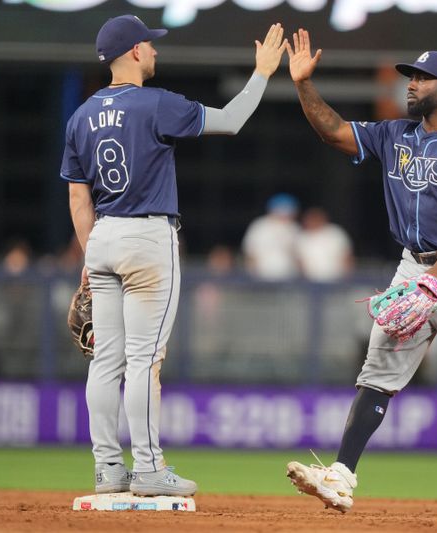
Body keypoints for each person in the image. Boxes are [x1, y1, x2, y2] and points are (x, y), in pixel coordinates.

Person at [284, 30, 437, 518]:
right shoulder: (395, 134)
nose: (411, 85)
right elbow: (333, 130)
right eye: (410, 77)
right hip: (411, 263)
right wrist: (304, 84)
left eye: (422, 78)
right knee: (378, 371)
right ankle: (342, 475)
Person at [60, 15, 286, 497]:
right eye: (150, 45)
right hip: (147, 237)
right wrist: (263, 72)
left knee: (106, 362)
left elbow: (79, 200)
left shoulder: (80, 115)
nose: (156, 51)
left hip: (101, 238)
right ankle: (147, 469)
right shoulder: (155, 103)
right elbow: (230, 120)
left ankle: (107, 470)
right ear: (135, 52)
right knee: (143, 360)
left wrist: (89, 252)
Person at [242, 193, 301, 280]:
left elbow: (298, 255)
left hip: (288, 276)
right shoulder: (260, 225)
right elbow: (250, 252)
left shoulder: (294, 228)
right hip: (262, 275)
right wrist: (252, 274)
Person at [296, 206, 353, 281]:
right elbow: (299, 261)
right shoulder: (302, 237)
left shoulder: (335, 232)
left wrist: (347, 277)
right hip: (311, 280)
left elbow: (346, 256)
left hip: (336, 278)